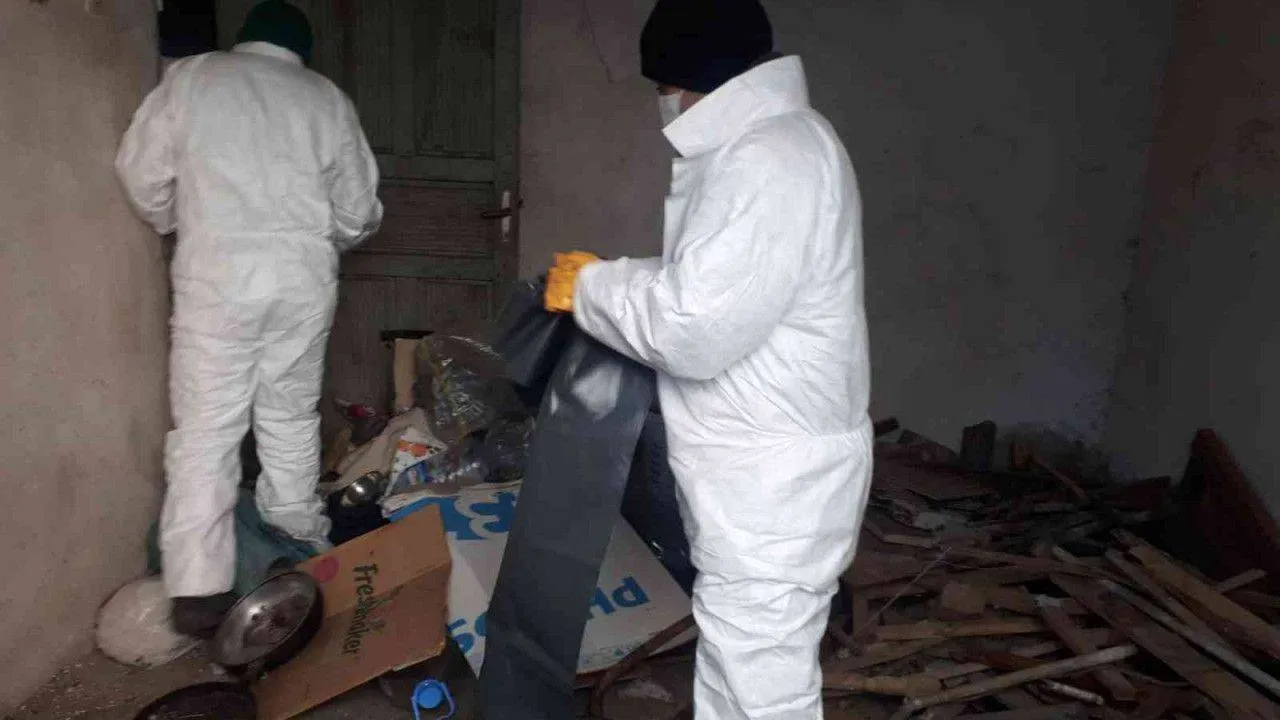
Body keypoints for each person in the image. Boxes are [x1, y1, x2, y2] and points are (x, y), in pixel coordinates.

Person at [545, 0, 872, 716]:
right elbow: (717, 281)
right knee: (745, 665)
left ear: (693, 79)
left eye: (664, 86)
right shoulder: (784, 141)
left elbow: (693, 327)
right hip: (767, 469)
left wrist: (592, 289)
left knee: (760, 685)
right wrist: (613, 275)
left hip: (771, 481)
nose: (663, 103)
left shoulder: (766, 158)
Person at [115, 0, 383, 636]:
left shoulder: (194, 78)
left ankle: (199, 590)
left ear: (245, 40)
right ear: (301, 51)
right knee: (289, 415)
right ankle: (298, 545)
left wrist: (181, 220)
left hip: (217, 276)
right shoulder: (325, 99)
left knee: (207, 429)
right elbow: (359, 212)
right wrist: (314, 239)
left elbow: (140, 174)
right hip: (300, 281)